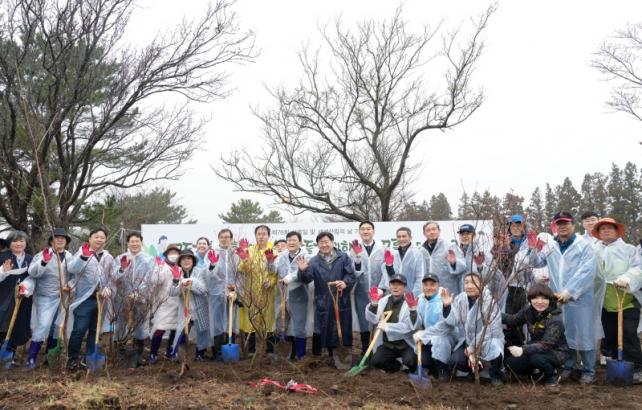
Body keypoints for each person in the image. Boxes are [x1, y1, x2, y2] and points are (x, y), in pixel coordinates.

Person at [530, 211, 597, 384]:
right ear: (555, 226)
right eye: (559, 224)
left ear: (573, 225)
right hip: (557, 299)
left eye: (566, 223)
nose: (562, 227)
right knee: (565, 333)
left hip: (580, 299)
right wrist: (533, 248)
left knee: (584, 333)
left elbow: (587, 271)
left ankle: (589, 369)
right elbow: (536, 262)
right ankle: (569, 365)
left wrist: (570, 291)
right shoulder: (550, 246)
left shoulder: (584, 246)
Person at [592, 217, 642, 382]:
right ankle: (617, 366)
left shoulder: (629, 249)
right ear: (598, 233)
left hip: (627, 301)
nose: (606, 231)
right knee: (611, 335)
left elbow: (638, 267)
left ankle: (637, 368)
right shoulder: (594, 250)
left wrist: (627, 278)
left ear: (617, 231)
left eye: (610, 228)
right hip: (605, 302)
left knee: (628, 333)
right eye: (602, 229)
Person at [296, 232, 356, 366]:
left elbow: (351, 275)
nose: (324, 245)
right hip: (324, 299)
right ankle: (331, 355)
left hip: (341, 298)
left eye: (326, 241)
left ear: (332, 242)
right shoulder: (314, 261)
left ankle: (345, 353)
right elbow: (306, 279)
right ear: (318, 245)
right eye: (321, 242)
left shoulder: (343, 257)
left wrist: (345, 282)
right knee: (328, 327)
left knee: (344, 326)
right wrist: (302, 271)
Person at [65, 227, 114, 371]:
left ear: (105, 240)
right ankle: (72, 359)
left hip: (101, 300)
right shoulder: (82, 252)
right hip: (84, 299)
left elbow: (111, 277)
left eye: (102, 237)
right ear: (90, 239)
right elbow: (72, 269)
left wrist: (108, 288)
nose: (99, 239)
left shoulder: (108, 257)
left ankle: (89, 358)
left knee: (95, 330)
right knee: (79, 329)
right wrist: (83, 257)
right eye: (96, 237)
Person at [442, 272, 505, 386]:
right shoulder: (461, 299)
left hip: (488, 340)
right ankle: (475, 371)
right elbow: (454, 321)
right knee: (455, 360)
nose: (469, 286)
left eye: (473, 282)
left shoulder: (489, 302)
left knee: (495, 348)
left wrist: (473, 347)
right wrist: (447, 307)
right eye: (466, 283)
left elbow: (491, 329)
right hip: (468, 340)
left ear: (482, 284)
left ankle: (495, 374)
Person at [23, 228, 72, 369]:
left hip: (63, 297)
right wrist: (44, 262)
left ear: (66, 242)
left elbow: (74, 275)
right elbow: (33, 273)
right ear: (51, 241)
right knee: (43, 325)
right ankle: (31, 357)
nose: (60, 240)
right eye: (57, 237)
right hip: (45, 296)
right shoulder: (42, 254)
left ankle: (50, 357)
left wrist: (70, 285)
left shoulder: (69, 256)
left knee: (57, 327)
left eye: (63, 238)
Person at [503, 283, 569, 387]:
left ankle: (552, 376)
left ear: (550, 300)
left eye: (544, 299)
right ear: (530, 299)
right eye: (536, 298)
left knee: (536, 359)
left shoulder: (555, 319)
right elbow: (514, 320)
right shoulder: (528, 310)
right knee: (510, 364)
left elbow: (546, 345)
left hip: (556, 352)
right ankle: (537, 372)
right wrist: (495, 315)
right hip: (534, 348)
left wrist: (523, 349)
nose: (540, 302)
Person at [111, 232, 157, 367]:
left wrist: (138, 292)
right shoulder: (120, 258)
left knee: (139, 325)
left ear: (141, 243)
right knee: (121, 325)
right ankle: (120, 354)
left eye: (137, 241)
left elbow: (149, 278)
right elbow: (114, 276)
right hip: (122, 298)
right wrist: (122, 269)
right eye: (132, 241)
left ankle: (137, 355)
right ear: (128, 243)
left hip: (140, 298)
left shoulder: (149, 259)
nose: (134, 244)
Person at [492, 214, 534, 348]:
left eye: (519, 224)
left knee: (527, 318)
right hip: (508, 288)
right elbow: (499, 266)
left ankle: (527, 347)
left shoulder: (530, 243)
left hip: (526, 288)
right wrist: (503, 248)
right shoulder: (503, 242)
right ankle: (512, 347)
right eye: (513, 225)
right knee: (510, 319)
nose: (515, 227)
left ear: (524, 227)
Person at [236, 225, 279, 355]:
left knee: (268, 319)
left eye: (264, 234)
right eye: (259, 234)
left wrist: (271, 282)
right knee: (251, 319)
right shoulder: (249, 250)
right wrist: (244, 260)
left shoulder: (274, 252)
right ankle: (251, 350)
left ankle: (270, 350)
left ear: (268, 236)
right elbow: (241, 269)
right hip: (251, 291)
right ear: (255, 236)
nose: (261, 236)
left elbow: (276, 273)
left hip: (267, 291)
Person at [366, 274, 419, 372]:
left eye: (399, 284)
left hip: (405, 344)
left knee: (411, 362)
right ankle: (397, 366)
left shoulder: (410, 303)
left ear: (404, 286)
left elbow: (410, 327)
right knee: (376, 361)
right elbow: (372, 319)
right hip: (388, 344)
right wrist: (374, 304)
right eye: (393, 284)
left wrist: (413, 311)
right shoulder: (383, 301)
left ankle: (406, 364)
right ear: (389, 286)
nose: (395, 287)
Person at [349, 221, 385, 354]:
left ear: (373, 231)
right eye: (363, 229)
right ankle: (365, 351)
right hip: (361, 291)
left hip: (379, 292)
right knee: (364, 321)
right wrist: (358, 258)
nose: (365, 231)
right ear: (359, 232)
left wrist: (381, 288)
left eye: (368, 229)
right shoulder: (353, 250)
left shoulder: (382, 249)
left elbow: (386, 272)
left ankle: (378, 351)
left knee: (379, 320)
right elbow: (353, 272)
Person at [169, 249, 211, 360]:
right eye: (183, 259)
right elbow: (172, 293)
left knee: (202, 331)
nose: (186, 261)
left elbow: (203, 289)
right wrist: (176, 281)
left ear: (193, 261)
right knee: (182, 331)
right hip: (185, 309)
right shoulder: (177, 273)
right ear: (180, 262)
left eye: (188, 258)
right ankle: (176, 353)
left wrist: (191, 282)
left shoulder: (200, 272)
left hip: (200, 307)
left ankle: (200, 354)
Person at [0, 231, 33, 367]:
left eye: (21, 241)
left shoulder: (31, 259)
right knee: (3, 325)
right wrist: (3, 271)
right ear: (9, 243)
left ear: (26, 243)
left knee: (17, 326)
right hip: (4, 298)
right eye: (14, 241)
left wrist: (27, 286)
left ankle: (10, 356)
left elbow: (34, 278)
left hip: (23, 299)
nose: (18, 244)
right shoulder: (3, 257)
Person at [277, 231, 312, 360]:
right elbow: (273, 270)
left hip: (299, 295)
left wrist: (289, 278)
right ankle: (287, 353)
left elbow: (302, 273)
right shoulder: (281, 256)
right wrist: (269, 263)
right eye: (289, 240)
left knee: (299, 325)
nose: (291, 242)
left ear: (300, 242)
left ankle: (301, 355)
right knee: (282, 323)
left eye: (294, 240)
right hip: (282, 294)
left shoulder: (306, 256)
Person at [413, 273, 453, 381]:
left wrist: (424, 334)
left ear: (438, 285)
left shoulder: (443, 298)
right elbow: (418, 322)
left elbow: (444, 327)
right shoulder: (420, 299)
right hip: (427, 338)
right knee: (424, 361)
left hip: (444, 337)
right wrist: (412, 312)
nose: (429, 287)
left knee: (439, 342)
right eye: (426, 285)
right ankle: (429, 369)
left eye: (432, 284)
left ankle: (443, 369)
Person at [208, 229, 239, 360]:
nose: (224, 239)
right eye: (222, 237)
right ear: (219, 238)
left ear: (231, 239)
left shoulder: (236, 255)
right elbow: (208, 274)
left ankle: (229, 350)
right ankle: (217, 352)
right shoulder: (213, 253)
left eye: (227, 237)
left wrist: (235, 291)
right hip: (217, 293)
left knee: (231, 321)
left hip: (232, 293)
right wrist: (212, 265)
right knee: (217, 322)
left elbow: (240, 275)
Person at [149, 244, 181, 363]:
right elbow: (154, 281)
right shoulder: (161, 266)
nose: (173, 255)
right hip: (163, 303)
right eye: (171, 253)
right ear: (166, 254)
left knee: (175, 329)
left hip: (177, 303)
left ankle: (170, 352)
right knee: (160, 328)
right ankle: (153, 353)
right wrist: (159, 269)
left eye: (176, 253)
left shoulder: (180, 267)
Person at [419, 222, 464, 295]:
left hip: (448, 290)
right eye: (428, 230)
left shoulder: (450, 247)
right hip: (429, 291)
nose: (431, 232)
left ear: (439, 231)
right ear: (424, 234)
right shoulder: (422, 251)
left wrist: (454, 263)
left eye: (434, 229)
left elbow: (463, 267)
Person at [379, 227, 423, 296]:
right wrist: (381, 288)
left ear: (410, 237)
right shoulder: (393, 254)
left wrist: (414, 295)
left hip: (411, 295)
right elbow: (387, 275)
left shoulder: (417, 254)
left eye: (404, 236)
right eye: (399, 237)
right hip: (395, 295)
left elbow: (420, 277)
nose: (401, 239)